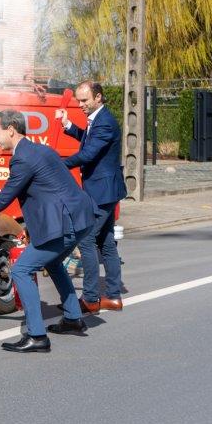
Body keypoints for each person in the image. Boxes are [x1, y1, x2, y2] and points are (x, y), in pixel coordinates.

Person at [0, 109, 95, 353]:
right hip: (80, 218)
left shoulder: (23, 158)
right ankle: (73, 317)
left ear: (11, 129)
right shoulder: (37, 150)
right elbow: (49, 191)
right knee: (52, 263)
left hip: (66, 223)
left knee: (21, 270)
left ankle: (37, 336)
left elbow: (4, 199)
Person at [56, 80, 128, 314]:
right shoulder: (97, 119)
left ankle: (90, 298)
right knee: (106, 243)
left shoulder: (104, 122)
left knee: (86, 240)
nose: (80, 105)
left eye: (84, 100)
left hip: (101, 192)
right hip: (104, 191)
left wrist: (59, 164)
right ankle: (113, 297)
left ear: (98, 97)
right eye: (78, 100)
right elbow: (88, 140)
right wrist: (68, 125)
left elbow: (88, 153)